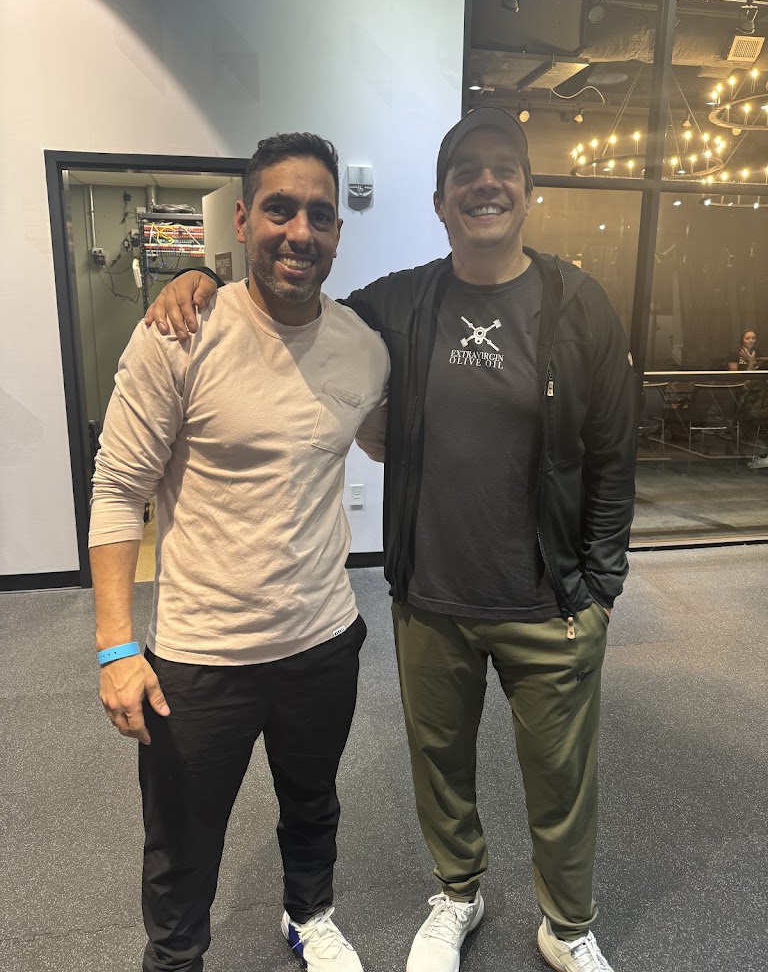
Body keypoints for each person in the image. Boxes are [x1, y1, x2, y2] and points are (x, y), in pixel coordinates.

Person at [147, 107, 636, 972]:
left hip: (550, 601)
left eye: (504, 169)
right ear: (441, 202)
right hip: (430, 600)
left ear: (529, 192)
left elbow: (613, 452)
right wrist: (196, 272)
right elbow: (291, 301)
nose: (486, 184)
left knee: (562, 781)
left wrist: (600, 588)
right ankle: (458, 894)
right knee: (440, 770)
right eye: (466, 173)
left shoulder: (577, 304)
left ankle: (566, 925)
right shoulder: (399, 304)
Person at [90, 132, 389, 972]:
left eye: (320, 215)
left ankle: (310, 915)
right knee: (182, 844)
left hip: (323, 639)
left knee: (313, 802)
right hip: (201, 657)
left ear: (338, 233)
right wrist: (116, 647)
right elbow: (117, 489)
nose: (300, 232)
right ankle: (176, 960)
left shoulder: (362, 347)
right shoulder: (180, 333)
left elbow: (382, 439)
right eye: (280, 209)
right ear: (244, 218)